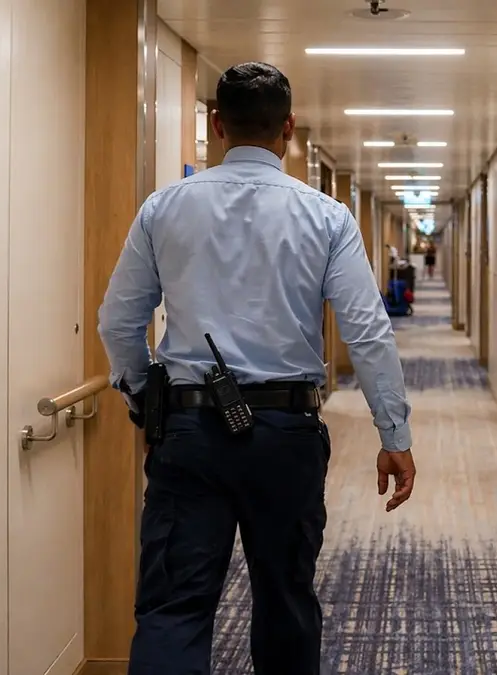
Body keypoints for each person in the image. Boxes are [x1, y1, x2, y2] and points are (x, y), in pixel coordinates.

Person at [97, 61, 418, 675]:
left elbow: (118, 321)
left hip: (188, 435)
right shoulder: (326, 217)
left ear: (217, 125)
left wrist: (145, 401)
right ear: (289, 129)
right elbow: (368, 333)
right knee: (286, 600)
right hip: (286, 435)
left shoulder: (163, 210)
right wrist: (393, 434)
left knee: (174, 609)